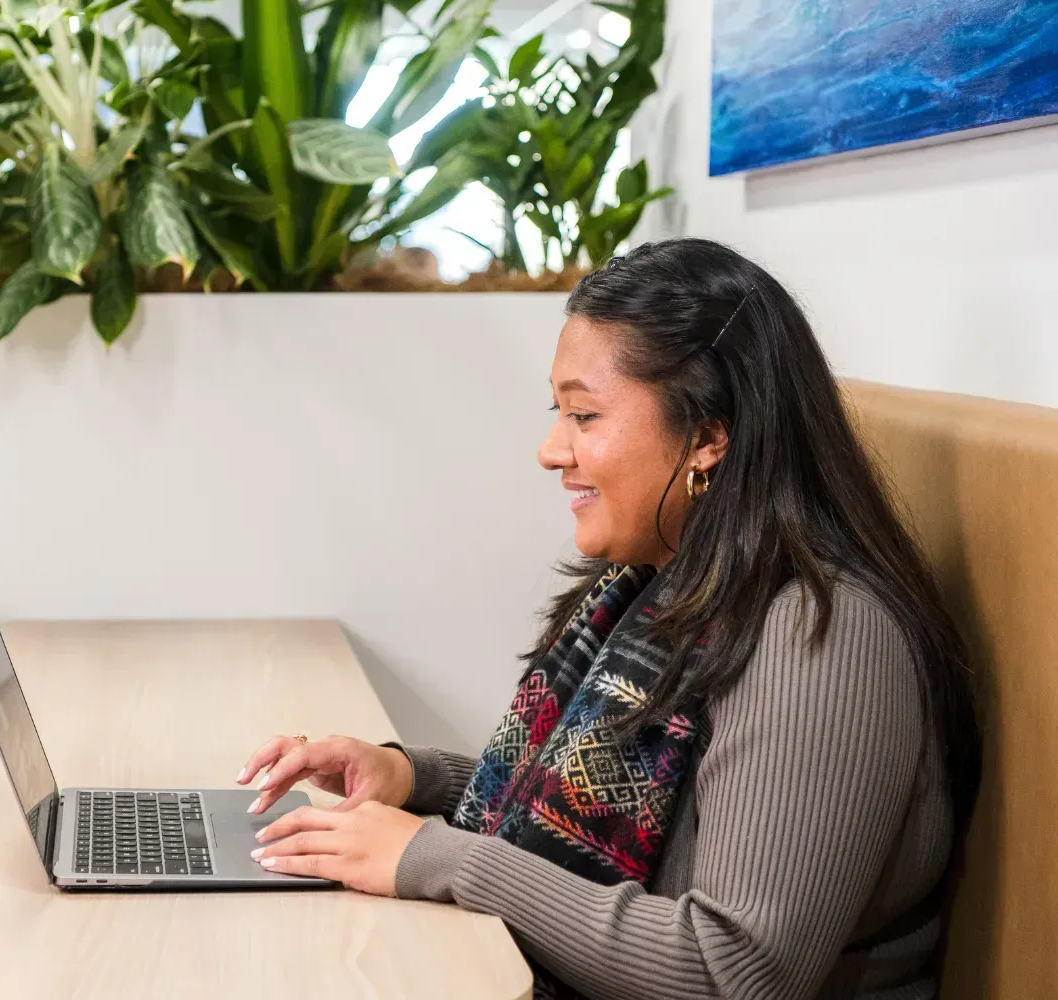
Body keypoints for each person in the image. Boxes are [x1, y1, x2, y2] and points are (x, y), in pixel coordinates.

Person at [235, 238, 982, 1000]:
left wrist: (440, 856)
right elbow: (602, 816)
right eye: (558, 412)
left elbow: (732, 972)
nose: (550, 449)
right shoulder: (662, 585)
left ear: (710, 434)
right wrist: (413, 778)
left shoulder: (820, 636)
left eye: (584, 414)